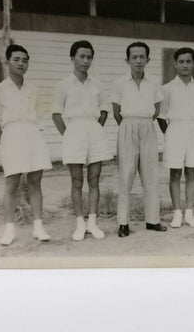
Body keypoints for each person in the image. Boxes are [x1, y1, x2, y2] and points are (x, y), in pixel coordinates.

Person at [0, 44, 52, 246]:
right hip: (11, 137)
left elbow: (39, 118)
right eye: (16, 59)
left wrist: (35, 139)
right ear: (7, 62)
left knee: (35, 182)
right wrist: (5, 144)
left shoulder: (33, 89)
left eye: (25, 60)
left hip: (32, 135)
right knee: (12, 184)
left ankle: (38, 227)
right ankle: (9, 230)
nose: (21, 63)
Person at [52, 40, 112, 241]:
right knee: (77, 180)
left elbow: (104, 111)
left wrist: (95, 129)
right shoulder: (63, 85)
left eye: (89, 57)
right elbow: (56, 114)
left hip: (94, 131)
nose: (85, 61)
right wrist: (69, 136)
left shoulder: (98, 84)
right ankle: (79, 224)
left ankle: (92, 223)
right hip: (74, 131)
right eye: (81, 56)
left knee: (94, 179)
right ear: (72, 58)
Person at [111, 41, 167, 238]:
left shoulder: (154, 82)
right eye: (134, 57)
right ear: (127, 60)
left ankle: (153, 221)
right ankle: (123, 223)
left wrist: (144, 124)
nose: (138, 61)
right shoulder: (119, 83)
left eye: (142, 57)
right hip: (127, 126)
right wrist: (129, 126)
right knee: (126, 176)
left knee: (150, 175)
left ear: (148, 59)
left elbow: (157, 109)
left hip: (148, 126)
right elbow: (116, 112)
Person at [157, 47, 194, 228]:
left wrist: (193, 130)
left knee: (191, 173)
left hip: (193, 131)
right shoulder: (167, 88)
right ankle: (177, 213)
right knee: (175, 173)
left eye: (188, 61)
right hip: (174, 131)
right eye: (181, 62)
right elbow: (161, 116)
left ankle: (189, 213)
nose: (185, 65)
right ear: (175, 64)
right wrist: (171, 133)